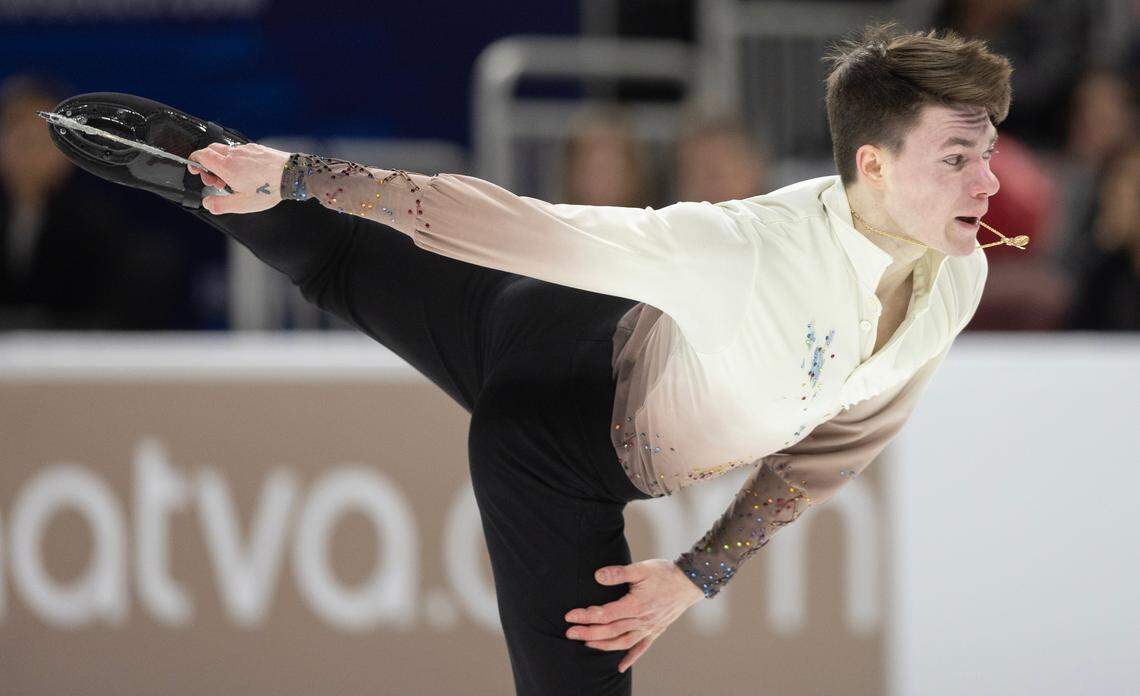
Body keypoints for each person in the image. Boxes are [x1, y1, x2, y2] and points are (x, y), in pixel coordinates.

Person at [47, 22, 1010, 695]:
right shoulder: (753, 247)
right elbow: (515, 224)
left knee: (342, 267)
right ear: (872, 166)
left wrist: (701, 571)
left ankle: (231, 182)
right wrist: (301, 171)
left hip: (570, 329)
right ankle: (226, 176)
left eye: (990, 150)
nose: (991, 179)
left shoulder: (955, 274)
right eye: (957, 158)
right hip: (556, 451)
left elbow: (841, 443)